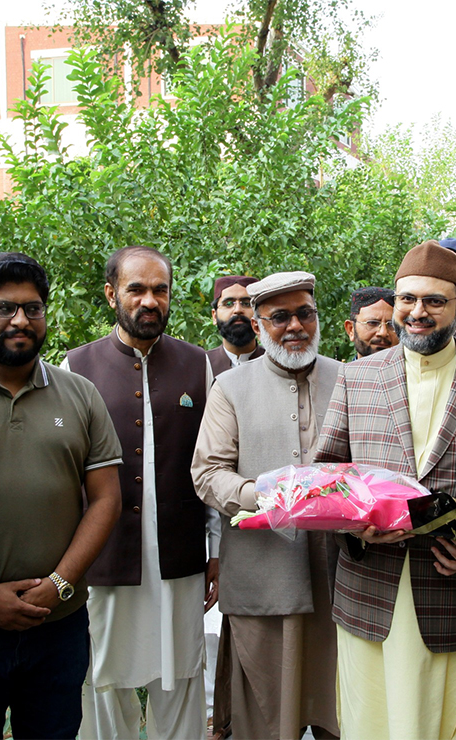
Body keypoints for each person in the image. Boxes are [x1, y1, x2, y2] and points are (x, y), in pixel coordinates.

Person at [314, 240, 456, 739]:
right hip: (369, 596)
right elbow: (325, 474)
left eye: (434, 302)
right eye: (408, 300)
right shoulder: (357, 378)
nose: (417, 313)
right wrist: (356, 528)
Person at [0, 253, 124, 739]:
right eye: (4, 308)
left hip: (58, 624)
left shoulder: (79, 394)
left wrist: (57, 584)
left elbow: (105, 500)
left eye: (33, 308)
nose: (21, 320)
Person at [66, 245, 214, 740]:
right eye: (137, 289)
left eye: (160, 290)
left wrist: (217, 551)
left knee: (184, 672)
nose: (150, 300)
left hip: (180, 554)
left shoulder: (201, 366)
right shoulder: (74, 366)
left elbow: (211, 467)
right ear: (112, 294)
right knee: (102, 679)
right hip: (106, 558)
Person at [192, 271, 342, 739]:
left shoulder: (350, 379)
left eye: (305, 313)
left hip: (344, 579)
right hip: (264, 580)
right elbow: (208, 473)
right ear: (257, 327)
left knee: (346, 714)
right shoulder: (230, 389)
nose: (295, 325)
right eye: (280, 317)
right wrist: (277, 496)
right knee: (265, 721)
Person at [203, 274, 260, 740]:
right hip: (208, 520)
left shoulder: (281, 365)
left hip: (265, 528)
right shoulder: (200, 369)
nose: (239, 311)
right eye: (230, 303)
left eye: (248, 303)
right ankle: (218, 719)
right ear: (215, 312)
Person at [206, 275, 264, 376]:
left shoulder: (277, 364)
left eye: (246, 304)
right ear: (214, 316)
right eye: (228, 304)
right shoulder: (202, 365)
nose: (237, 310)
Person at [344, 286, 397, 360]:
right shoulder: (339, 371)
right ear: (351, 329)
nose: (383, 332)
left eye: (391, 325)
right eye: (372, 323)